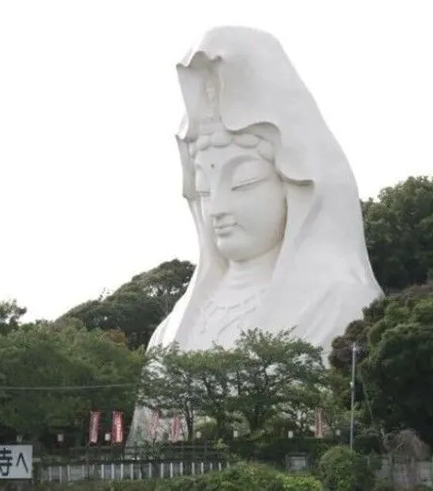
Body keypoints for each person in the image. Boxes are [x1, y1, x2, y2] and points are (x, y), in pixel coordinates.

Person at [129, 26, 382, 445]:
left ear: (292, 182)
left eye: (243, 182)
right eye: (207, 191)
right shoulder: (172, 327)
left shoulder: (341, 303)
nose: (220, 209)